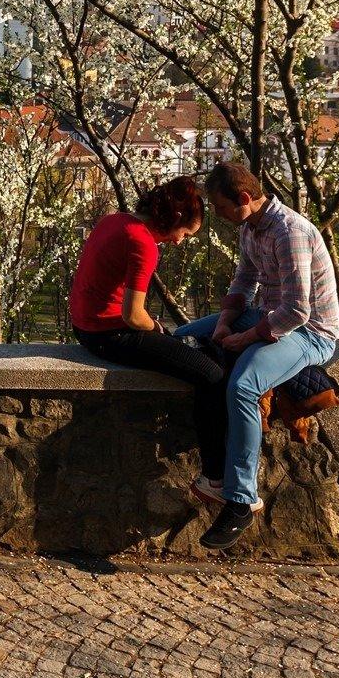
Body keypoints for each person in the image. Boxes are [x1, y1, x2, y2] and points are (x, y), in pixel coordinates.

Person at [176, 159, 339, 551]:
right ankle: (215, 462)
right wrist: (225, 323)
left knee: (245, 385)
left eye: (219, 207)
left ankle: (240, 498)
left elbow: (298, 311)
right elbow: (244, 280)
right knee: (180, 341)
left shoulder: (290, 233)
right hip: (267, 314)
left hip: (309, 332)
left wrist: (246, 337)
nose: (216, 215)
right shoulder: (251, 229)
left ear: (245, 198)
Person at [68, 177, 230, 506]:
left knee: (201, 350)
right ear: (174, 220)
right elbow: (132, 315)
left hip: (86, 326)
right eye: (185, 234)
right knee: (211, 376)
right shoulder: (142, 243)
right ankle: (216, 477)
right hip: (109, 334)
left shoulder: (116, 219)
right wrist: (157, 328)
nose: (180, 242)